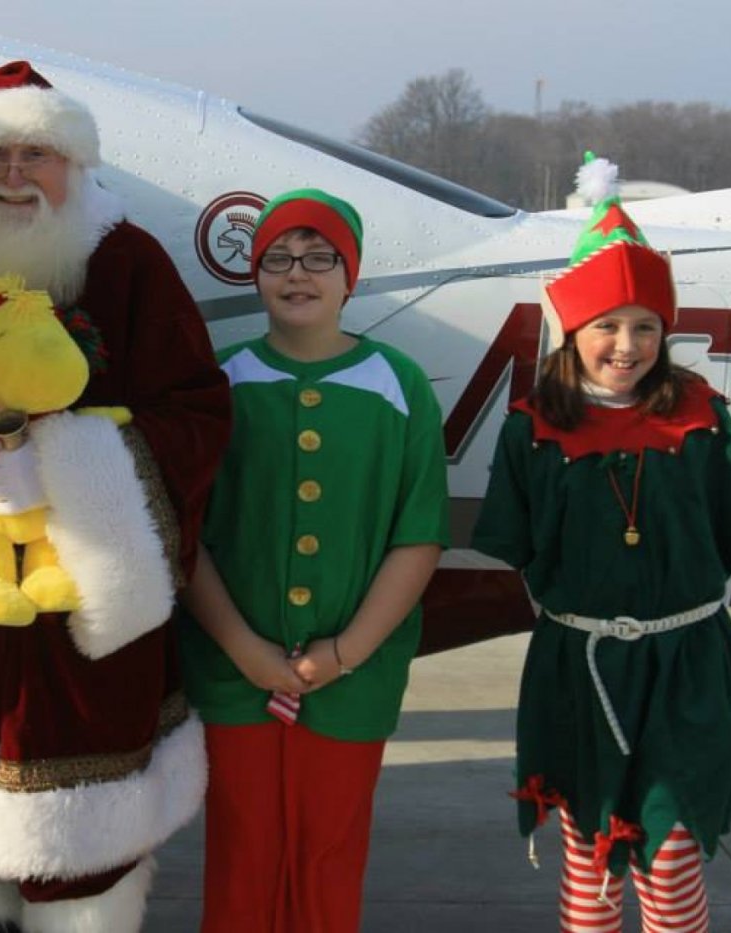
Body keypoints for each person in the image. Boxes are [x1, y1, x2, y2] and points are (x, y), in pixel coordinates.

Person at [0, 61, 230, 932]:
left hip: (69, 619)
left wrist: (67, 470)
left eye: (34, 155)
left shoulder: (123, 261)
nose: (13, 177)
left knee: (77, 875)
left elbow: (197, 412)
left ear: (72, 167)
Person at [472, 154, 731, 933]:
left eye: (645, 326)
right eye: (606, 326)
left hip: (685, 667)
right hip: (579, 668)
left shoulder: (700, 419)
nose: (627, 344)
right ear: (571, 330)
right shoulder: (533, 430)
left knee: (671, 849)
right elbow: (519, 545)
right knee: (590, 852)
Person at [178, 188, 450, 932]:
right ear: (255, 273)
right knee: (242, 850)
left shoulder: (399, 386)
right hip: (236, 674)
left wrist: (345, 651)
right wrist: (244, 648)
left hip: (352, 680)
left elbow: (418, 534)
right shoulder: (222, 382)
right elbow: (186, 533)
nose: (298, 274)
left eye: (320, 257)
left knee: (329, 854)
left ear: (350, 273)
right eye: (278, 259)